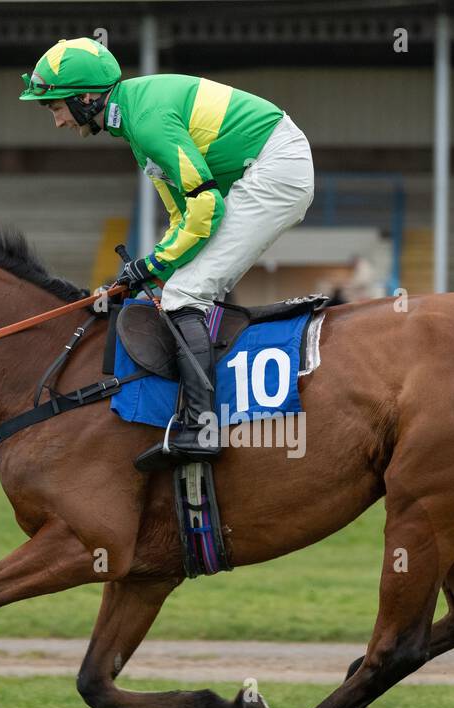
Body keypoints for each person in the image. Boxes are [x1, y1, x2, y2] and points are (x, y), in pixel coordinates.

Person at [21, 37, 315, 471]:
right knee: (174, 287)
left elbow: (206, 208)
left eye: (55, 107)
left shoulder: (147, 120)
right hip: (265, 166)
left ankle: (203, 426)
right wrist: (149, 272)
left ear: (85, 98)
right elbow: (183, 217)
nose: (58, 121)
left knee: (184, 294)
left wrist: (155, 265)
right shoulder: (134, 121)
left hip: (276, 170)